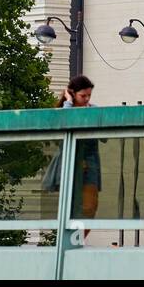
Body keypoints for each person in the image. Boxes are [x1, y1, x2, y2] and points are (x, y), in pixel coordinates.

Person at [59, 76, 99, 232]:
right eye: (83, 95)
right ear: (73, 93)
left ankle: (79, 239)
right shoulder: (66, 108)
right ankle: (71, 240)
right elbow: (65, 121)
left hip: (90, 164)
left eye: (89, 95)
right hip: (71, 164)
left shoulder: (93, 110)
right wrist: (68, 102)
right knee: (70, 206)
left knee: (90, 206)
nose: (87, 99)